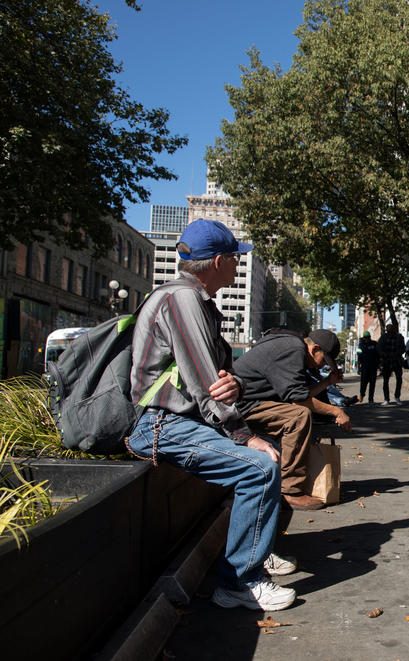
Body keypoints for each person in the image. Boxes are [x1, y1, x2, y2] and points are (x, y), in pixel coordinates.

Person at [127, 218, 296, 611]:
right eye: (236, 258)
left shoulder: (195, 301)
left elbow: (221, 379)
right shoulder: (180, 300)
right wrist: (242, 434)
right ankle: (240, 581)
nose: (239, 265)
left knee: (266, 452)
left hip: (182, 422)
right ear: (219, 261)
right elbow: (205, 384)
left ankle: (254, 550)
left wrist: (235, 384)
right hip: (161, 426)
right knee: (259, 465)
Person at [233, 329, 352, 511]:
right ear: (314, 349)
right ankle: (289, 491)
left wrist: (327, 383)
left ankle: (287, 482)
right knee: (298, 416)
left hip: (249, 402)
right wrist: (336, 411)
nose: (321, 367)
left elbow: (299, 394)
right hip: (242, 405)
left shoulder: (293, 345)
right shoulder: (293, 349)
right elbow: (299, 400)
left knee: (299, 412)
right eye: (323, 360)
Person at [377, 323, 405, 405]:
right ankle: (386, 399)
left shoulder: (399, 337)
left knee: (399, 379)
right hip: (387, 361)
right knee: (385, 381)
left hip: (396, 361)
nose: (389, 332)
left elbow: (403, 348)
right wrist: (383, 354)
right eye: (388, 331)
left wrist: (397, 353)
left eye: (391, 330)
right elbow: (378, 348)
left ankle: (397, 397)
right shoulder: (383, 337)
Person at [356, 331, 379, 404]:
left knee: (372, 383)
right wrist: (359, 368)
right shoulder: (361, 345)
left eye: (368, 337)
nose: (367, 339)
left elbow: (378, 354)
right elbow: (359, 357)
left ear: (370, 337)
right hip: (365, 367)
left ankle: (371, 399)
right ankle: (362, 395)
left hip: (373, 367)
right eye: (365, 338)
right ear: (364, 338)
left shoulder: (374, 344)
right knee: (363, 383)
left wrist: (379, 364)